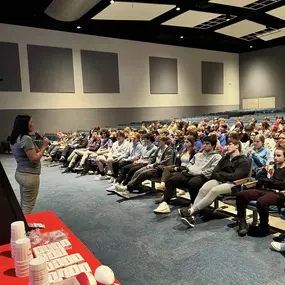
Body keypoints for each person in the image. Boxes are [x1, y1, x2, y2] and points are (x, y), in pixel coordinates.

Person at [179, 138, 251, 227]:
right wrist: (223, 175)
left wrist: (221, 174)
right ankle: (192, 216)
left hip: (233, 185)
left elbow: (235, 177)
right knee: (203, 189)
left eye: (230, 144)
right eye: (227, 144)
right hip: (220, 180)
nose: (227, 146)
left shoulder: (244, 161)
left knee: (214, 190)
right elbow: (214, 172)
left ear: (236, 146)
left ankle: (190, 211)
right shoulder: (225, 158)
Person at [153, 135, 221, 214]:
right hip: (191, 174)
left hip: (203, 176)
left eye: (207, 144)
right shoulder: (198, 155)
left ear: (213, 145)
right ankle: (165, 203)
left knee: (193, 183)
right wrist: (193, 171)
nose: (205, 145)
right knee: (172, 179)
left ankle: (194, 204)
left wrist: (196, 172)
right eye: (204, 143)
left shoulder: (217, 157)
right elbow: (189, 165)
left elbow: (212, 170)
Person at [236, 147, 285, 237]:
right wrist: (271, 181)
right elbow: (259, 177)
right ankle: (242, 221)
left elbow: (282, 185)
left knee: (261, 202)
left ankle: (264, 227)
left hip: (278, 193)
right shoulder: (271, 165)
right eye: (274, 155)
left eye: (278, 156)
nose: (275, 158)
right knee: (241, 195)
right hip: (265, 189)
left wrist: (268, 181)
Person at [10, 115, 49, 214]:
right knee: (28, 207)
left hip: (20, 173)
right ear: (24, 124)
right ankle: (23, 228)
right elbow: (34, 159)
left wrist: (38, 147)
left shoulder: (15, 137)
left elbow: (30, 153)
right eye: (31, 122)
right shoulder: (26, 138)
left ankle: (21, 223)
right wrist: (44, 146)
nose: (33, 124)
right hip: (29, 176)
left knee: (24, 203)